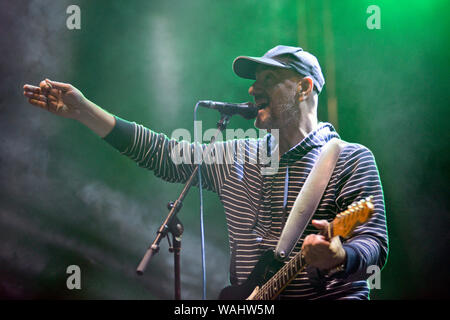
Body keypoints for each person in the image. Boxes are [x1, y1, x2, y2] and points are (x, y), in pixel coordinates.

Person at [23, 45, 388, 299]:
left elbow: (375, 243)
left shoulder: (349, 159)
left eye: (269, 79)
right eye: (253, 80)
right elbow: (164, 154)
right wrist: (84, 111)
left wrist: (342, 257)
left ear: (304, 88)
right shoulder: (237, 154)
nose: (252, 88)